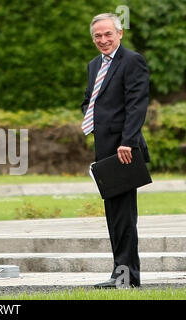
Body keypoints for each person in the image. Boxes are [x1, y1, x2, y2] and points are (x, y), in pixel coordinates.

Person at [80, 13, 150, 288]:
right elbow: (89, 100)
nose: (103, 40)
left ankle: (127, 277)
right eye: (97, 35)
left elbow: (137, 103)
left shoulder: (132, 61)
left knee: (123, 214)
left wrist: (128, 141)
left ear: (119, 33)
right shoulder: (93, 65)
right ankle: (120, 274)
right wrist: (92, 119)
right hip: (104, 147)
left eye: (108, 34)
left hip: (124, 149)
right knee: (113, 213)